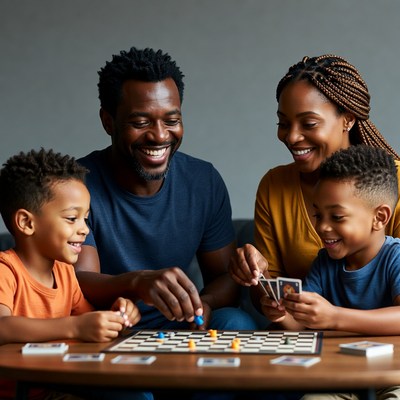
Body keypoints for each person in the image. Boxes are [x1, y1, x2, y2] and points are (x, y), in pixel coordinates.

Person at [74, 47, 258, 332]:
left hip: (181, 327)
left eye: (171, 121)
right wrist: (139, 282)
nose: (160, 135)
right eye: (140, 122)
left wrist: (205, 303)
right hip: (107, 328)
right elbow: (80, 280)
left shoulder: (203, 181)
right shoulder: (77, 184)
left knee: (235, 321)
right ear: (108, 121)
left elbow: (225, 277)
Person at [229, 54, 400, 292]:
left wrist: (333, 318)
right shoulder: (274, 185)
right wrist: (259, 273)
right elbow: (276, 303)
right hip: (306, 327)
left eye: (308, 124)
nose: (291, 137)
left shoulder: (392, 183)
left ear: (348, 120)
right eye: (283, 124)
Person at [0, 148, 152, 400]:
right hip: (24, 392)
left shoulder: (65, 273)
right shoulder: (6, 270)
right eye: (72, 218)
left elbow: (89, 323)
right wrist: (75, 327)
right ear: (27, 223)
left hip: (62, 382)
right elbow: (2, 327)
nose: (84, 230)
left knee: (134, 392)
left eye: (86, 218)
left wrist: (116, 316)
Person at [262, 144, 400, 400]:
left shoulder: (396, 257)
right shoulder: (325, 262)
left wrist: (334, 317)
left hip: (393, 373)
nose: (323, 227)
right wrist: (282, 315)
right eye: (318, 214)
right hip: (338, 375)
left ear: (379, 217)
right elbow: (301, 325)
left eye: (336, 217)